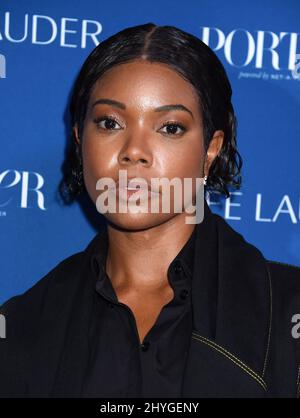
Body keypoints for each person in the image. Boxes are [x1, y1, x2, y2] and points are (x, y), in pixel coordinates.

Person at [0, 22, 299, 398]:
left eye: (170, 127)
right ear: (80, 139)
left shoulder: (288, 311)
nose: (134, 150)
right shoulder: (23, 325)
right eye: (110, 123)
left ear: (211, 149)